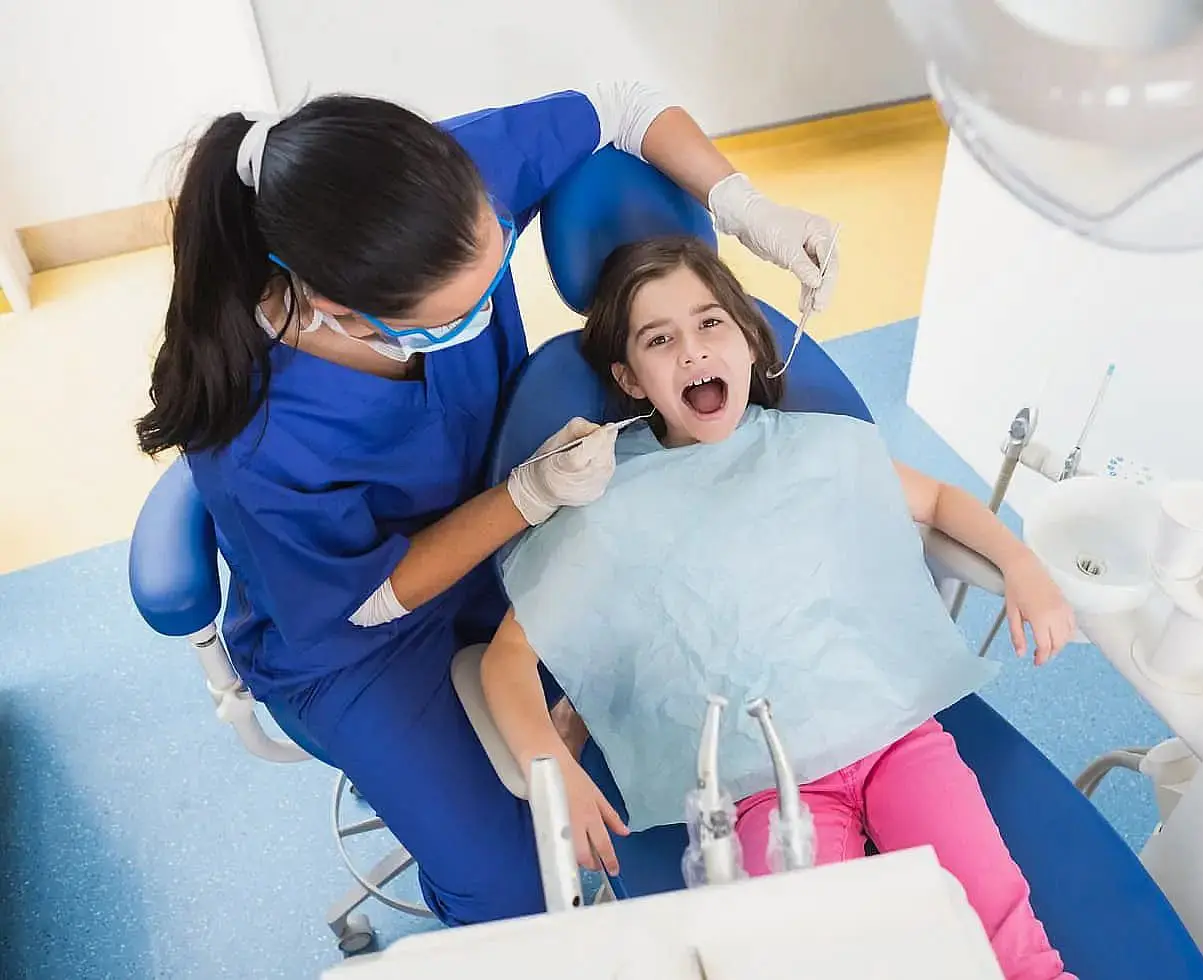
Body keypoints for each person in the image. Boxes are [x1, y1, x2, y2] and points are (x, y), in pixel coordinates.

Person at [134, 83, 841, 927]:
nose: (484, 306)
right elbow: (368, 602)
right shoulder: (255, 436)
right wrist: (527, 494)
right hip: (362, 642)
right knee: (517, 888)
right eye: (456, 315)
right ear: (340, 311)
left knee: (663, 757)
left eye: (494, 258)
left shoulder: (442, 184)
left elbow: (618, 103)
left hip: (519, 537)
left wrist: (745, 205)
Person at [481, 237, 1078, 980]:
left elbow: (943, 500)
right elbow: (508, 658)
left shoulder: (809, 449)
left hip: (893, 736)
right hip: (758, 779)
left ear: (748, 339)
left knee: (1002, 937)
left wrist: (1023, 565)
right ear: (630, 379)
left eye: (710, 324)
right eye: (659, 340)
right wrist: (550, 762)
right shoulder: (611, 501)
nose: (692, 351)